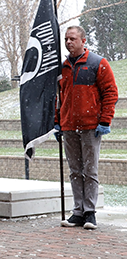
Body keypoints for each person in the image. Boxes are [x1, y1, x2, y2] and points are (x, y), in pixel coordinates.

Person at [55, 25, 118, 230]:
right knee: (74, 171)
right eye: (66, 39)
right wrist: (58, 121)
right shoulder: (63, 67)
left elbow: (110, 92)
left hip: (91, 126)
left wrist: (105, 121)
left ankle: (90, 212)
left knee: (90, 170)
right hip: (69, 127)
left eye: (72, 39)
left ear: (83, 41)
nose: (68, 42)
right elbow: (59, 98)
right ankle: (78, 212)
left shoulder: (97, 64)